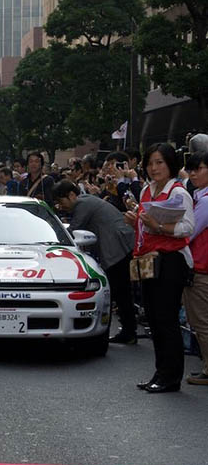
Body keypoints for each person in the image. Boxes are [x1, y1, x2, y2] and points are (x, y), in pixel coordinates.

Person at [124, 143, 194, 393]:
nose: (154, 168)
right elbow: (145, 228)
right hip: (148, 259)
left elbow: (188, 228)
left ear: (170, 164)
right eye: (150, 163)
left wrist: (157, 226)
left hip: (171, 260)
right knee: (153, 317)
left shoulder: (178, 192)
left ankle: (171, 377)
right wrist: (137, 222)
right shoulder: (146, 190)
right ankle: (160, 372)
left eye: (159, 162)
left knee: (166, 319)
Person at [52, 180, 137, 344]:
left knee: (119, 291)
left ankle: (127, 331)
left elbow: (73, 231)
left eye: (60, 202)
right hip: (118, 246)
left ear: (71, 195)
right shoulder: (88, 201)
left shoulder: (83, 204)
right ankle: (128, 330)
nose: (60, 206)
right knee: (121, 292)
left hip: (117, 248)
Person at [182, 152, 208, 385]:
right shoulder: (201, 196)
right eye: (190, 169)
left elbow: (187, 232)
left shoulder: (206, 200)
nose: (192, 174)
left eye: (198, 168)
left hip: (201, 269)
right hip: (200, 267)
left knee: (201, 322)